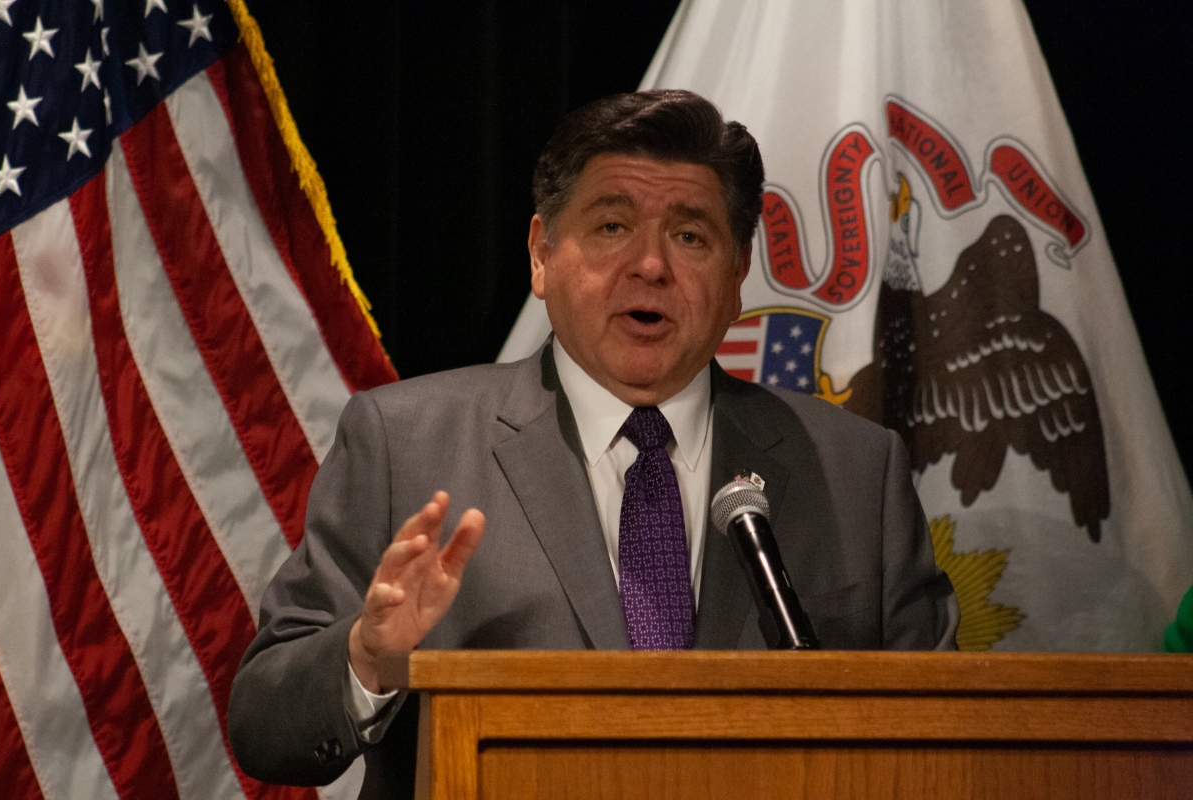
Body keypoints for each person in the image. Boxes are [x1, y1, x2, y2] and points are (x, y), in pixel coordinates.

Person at [228, 90, 958, 794]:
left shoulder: (858, 471)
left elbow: (948, 745)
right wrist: (366, 658)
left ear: (737, 277)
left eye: (690, 235)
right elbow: (264, 725)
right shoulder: (404, 444)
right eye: (611, 227)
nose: (650, 265)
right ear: (542, 255)